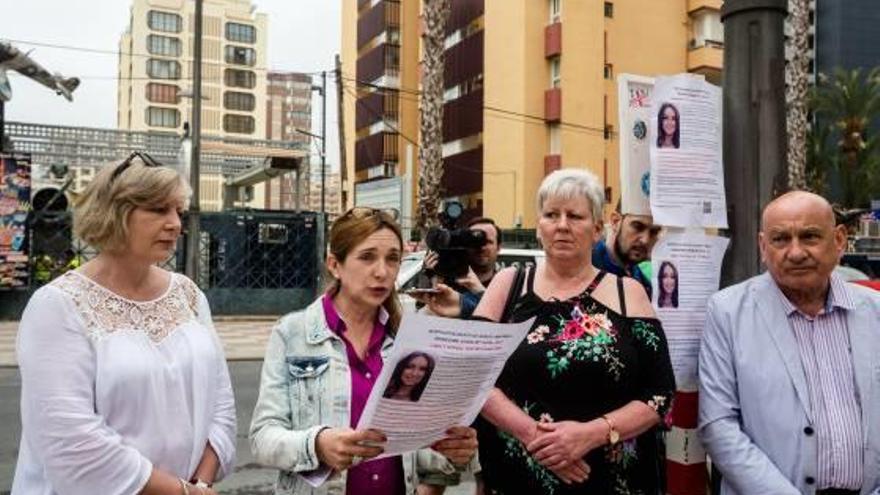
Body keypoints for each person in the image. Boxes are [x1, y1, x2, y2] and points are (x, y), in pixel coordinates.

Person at [12, 152, 236, 495]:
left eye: (178, 210)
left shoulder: (188, 294)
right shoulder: (57, 306)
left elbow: (221, 403)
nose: (176, 223)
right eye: (159, 210)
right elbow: (72, 442)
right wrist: (182, 492)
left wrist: (201, 483)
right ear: (114, 213)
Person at [472, 168, 675, 494]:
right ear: (539, 226)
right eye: (551, 214)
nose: (562, 225)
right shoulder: (508, 285)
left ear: (597, 228)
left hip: (611, 480)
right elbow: (472, 375)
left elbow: (660, 394)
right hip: (521, 477)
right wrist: (535, 437)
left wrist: (590, 434)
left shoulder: (628, 292)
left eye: (575, 216)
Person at [249, 207, 478, 495]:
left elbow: (411, 448)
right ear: (335, 264)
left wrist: (453, 451)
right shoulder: (293, 333)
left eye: (392, 259)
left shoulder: (410, 336)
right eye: (367, 257)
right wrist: (318, 445)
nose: (382, 272)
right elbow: (262, 438)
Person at [698, 191, 880, 495]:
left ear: (839, 240)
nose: (795, 253)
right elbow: (718, 425)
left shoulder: (875, 312)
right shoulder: (728, 313)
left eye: (809, 237)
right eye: (780, 239)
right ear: (762, 247)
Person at [422, 217, 502, 318]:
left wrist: (479, 291)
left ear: (499, 247)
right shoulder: (448, 286)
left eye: (488, 242)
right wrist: (432, 279)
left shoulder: (506, 285)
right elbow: (426, 318)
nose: (480, 247)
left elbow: (505, 320)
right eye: (474, 241)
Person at [592, 200, 661, 297]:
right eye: (638, 227)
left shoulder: (646, 288)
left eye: (653, 232)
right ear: (615, 222)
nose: (645, 240)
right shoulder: (584, 271)